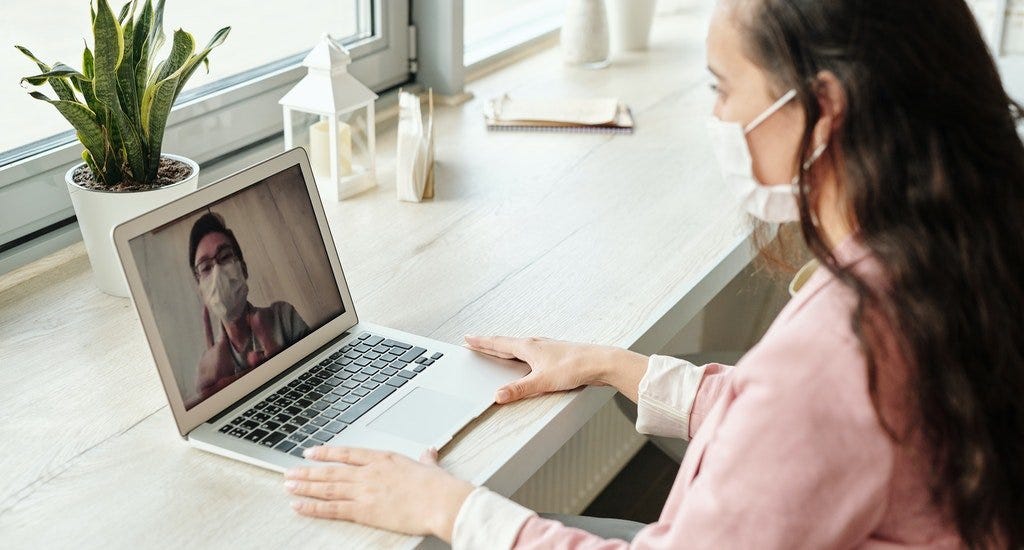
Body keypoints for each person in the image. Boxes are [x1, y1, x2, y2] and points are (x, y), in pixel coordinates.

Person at [280, 0, 1024, 548]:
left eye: (723, 88)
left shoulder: (839, 349)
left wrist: (449, 509)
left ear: (823, 111)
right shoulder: (953, 252)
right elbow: (804, 436)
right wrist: (616, 367)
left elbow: (805, 408)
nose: (718, 116)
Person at [189, 212, 309, 403]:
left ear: (243, 269)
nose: (218, 272)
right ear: (201, 290)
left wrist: (282, 366)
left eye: (225, 256)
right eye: (205, 267)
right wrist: (211, 398)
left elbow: (321, 376)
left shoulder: (283, 317)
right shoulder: (209, 368)